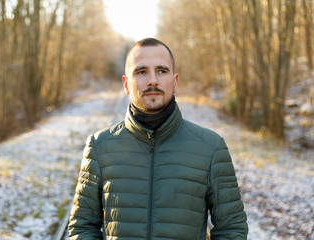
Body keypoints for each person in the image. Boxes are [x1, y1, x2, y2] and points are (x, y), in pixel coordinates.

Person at [68, 37, 248, 239]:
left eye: (161, 71)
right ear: (126, 84)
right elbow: (82, 227)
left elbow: (232, 229)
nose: (153, 80)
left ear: (175, 82)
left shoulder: (211, 148)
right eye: (141, 72)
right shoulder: (99, 147)